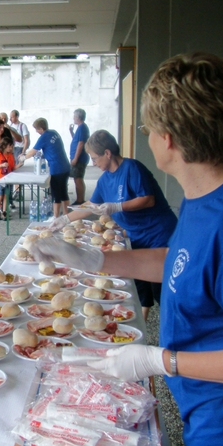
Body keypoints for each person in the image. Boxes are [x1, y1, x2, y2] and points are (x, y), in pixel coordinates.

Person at [31, 53, 223, 446]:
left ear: (167, 139)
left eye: (149, 129)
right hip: (208, 407)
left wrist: (160, 360)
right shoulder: (208, 193)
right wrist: (91, 258)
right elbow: (183, 262)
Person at [51, 129, 177, 320]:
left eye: (95, 158)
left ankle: (173, 329)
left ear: (107, 153)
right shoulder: (104, 180)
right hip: (138, 236)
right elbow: (91, 207)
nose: (93, 163)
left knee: (163, 289)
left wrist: (117, 206)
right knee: (140, 281)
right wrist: (65, 219)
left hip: (160, 233)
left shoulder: (132, 168)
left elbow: (148, 199)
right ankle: (142, 319)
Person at [24, 118, 71, 218]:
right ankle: (66, 214)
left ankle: (56, 216)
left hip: (56, 168)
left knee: (56, 194)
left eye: (36, 129)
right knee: (63, 191)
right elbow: (53, 148)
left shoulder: (44, 137)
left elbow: (33, 151)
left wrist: (24, 157)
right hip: (65, 166)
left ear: (41, 128)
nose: (36, 132)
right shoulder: (54, 132)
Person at [0, 137, 22, 220]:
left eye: (12, 146)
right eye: (9, 146)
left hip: (8, 179)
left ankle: (4, 211)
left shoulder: (11, 156)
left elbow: (12, 167)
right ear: (4, 146)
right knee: (0, 195)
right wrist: (1, 165)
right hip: (0, 178)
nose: (11, 148)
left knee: (6, 195)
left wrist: (19, 164)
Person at [9, 109, 30, 205]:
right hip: (12, 148)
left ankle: (18, 191)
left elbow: (26, 139)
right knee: (13, 168)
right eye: (10, 116)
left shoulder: (22, 126)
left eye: (12, 116)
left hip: (19, 149)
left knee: (18, 169)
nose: (11, 118)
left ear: (17, 116)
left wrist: (23, 151)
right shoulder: (10, 126)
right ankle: (16, 191)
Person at [69, 108, 90, 205]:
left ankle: (80, 200)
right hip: (78, 158)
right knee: (77, 178)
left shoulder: (82, 128)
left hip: (80, 159)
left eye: (74, 116)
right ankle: (80, 199)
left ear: (78, 117)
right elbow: (77, 140)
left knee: (78, 179)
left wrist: (75, 159)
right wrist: (71, 132)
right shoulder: (81, 128)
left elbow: (81, 144)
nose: (73, 118)